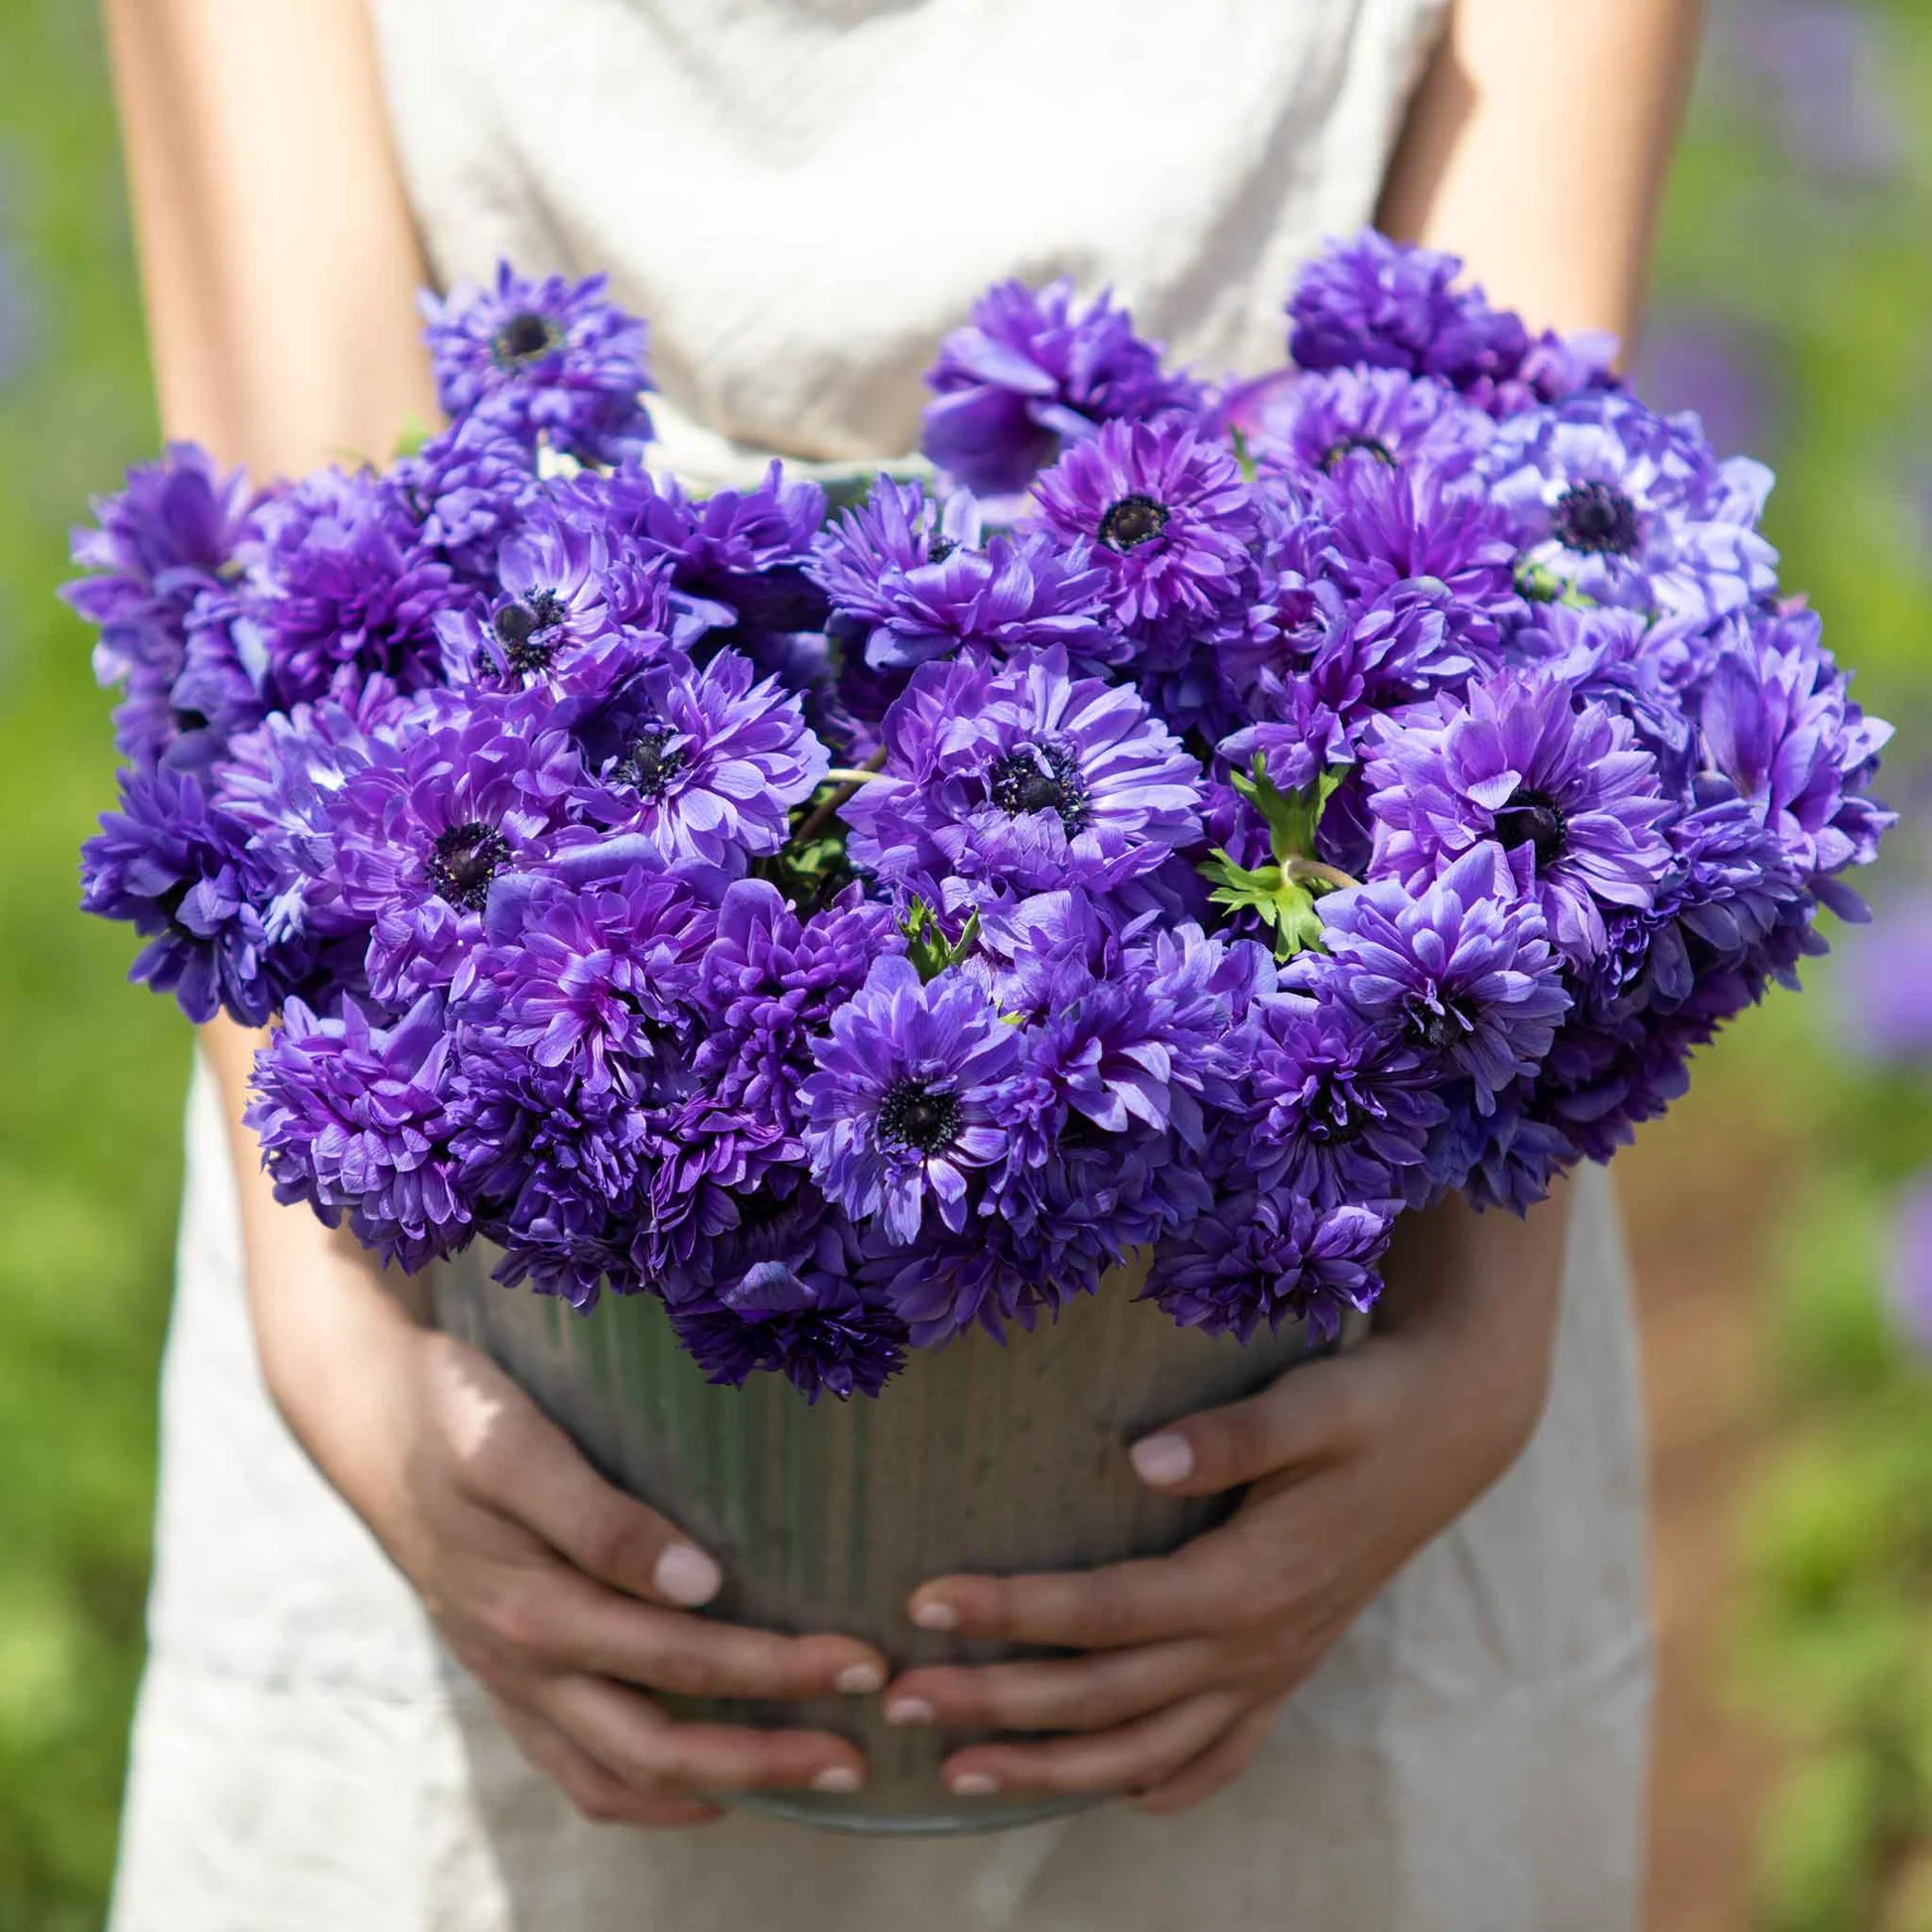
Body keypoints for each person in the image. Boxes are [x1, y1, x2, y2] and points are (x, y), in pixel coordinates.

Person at [100, 2, 1699, 1926]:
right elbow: (298, 609)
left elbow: (1506, 519)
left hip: (1340, 1279)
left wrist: (1472, 1336)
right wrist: (347, 1346)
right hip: (475, 1307)